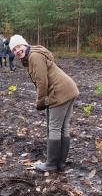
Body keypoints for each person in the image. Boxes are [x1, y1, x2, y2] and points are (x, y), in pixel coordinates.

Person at [9, 35, 79, 172]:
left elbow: (42, 82)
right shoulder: (34, 53)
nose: (17, 51)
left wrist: (39, 102)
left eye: (19, 46)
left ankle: (51, 163)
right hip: (69, 88)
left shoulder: (34, 56)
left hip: (59, 91)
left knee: (54, 127)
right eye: (14, 49)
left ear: (25, 44)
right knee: (63, 126)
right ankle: (60, 163)